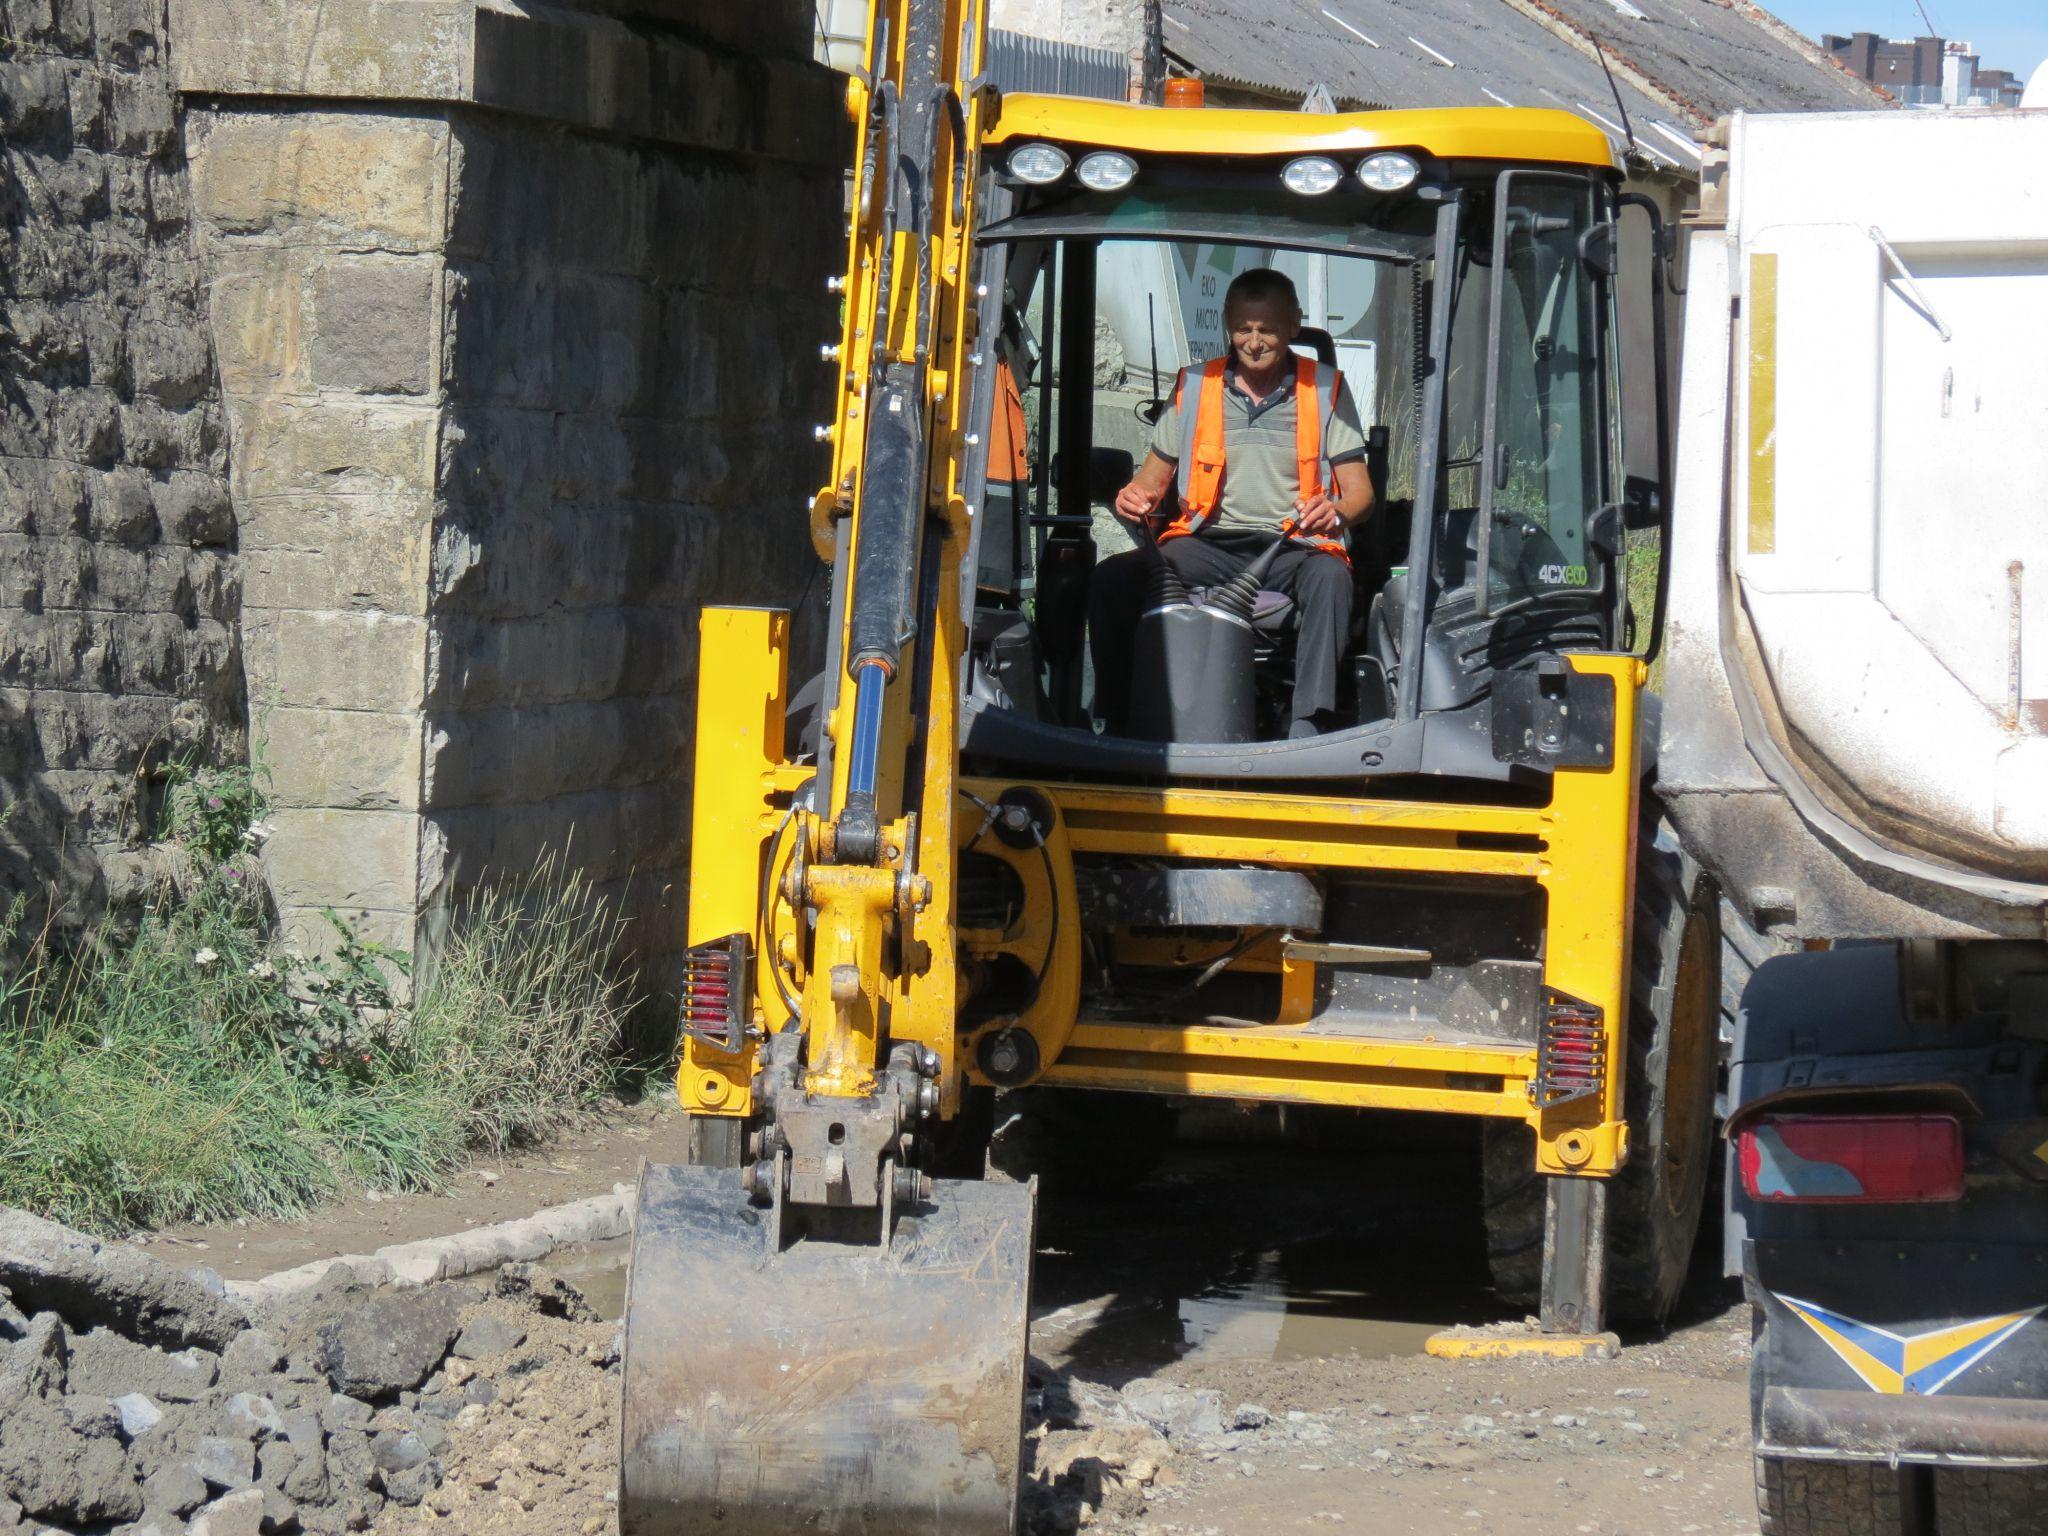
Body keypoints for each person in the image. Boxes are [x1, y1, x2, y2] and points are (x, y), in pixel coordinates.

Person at [1088, 268, 1375, 737]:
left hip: (1292, 545)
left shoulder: (1326, 390)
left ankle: (1310, 724)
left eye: (1268, 330)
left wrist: (1336, 511)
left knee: (1332, 579)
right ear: (1228, 324)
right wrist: (1133, 497)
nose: (1255, 342)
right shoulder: (1196, 386)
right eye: (1244, 329)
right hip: (1206, 543)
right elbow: (1150, 481)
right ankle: (1119, 719)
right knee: (1111, 580)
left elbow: (1360, 493)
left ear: (1294, 326)